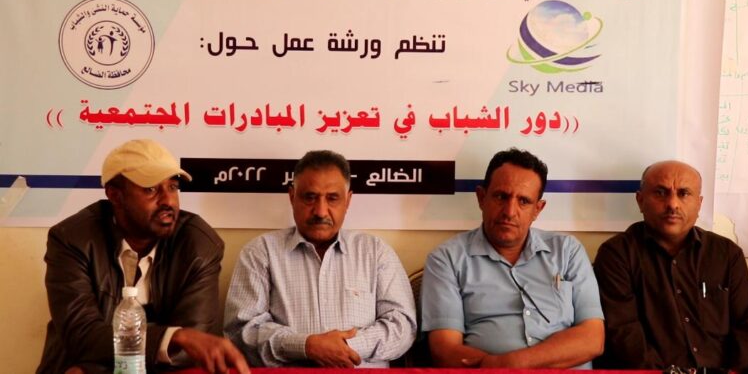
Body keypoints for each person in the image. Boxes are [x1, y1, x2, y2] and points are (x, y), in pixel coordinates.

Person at [37, 139, 248, 374]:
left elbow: (191, 346)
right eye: (151, 189)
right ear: (115, 195)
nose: (168, 201)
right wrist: (173, 337)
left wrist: (177, 340)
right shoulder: (72, 239)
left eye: (173, 187)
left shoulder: (199, 245)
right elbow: (82, 335)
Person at [224, 150, 417, 367]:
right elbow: (241, 332)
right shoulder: (261, 252)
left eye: (332, 198)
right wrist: (305, 346)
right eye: (310, 197)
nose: (321, 211)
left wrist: (347, 347)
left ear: (348, 200)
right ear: (292, 197)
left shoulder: (375, 252)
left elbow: (403, 326)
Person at [421, 147, 604, 369]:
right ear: (481, 198)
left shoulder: (567, 251)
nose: (509, 211)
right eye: (501, 196)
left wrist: (510, 364)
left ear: (538, 209)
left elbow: (593, 339)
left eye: (523, 201)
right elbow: (445, 350)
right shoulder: (447, 259)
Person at [593, 160, 748, 371]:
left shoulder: (727, 254)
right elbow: (624, 335)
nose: (673, 204)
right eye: (660, 193)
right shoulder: (616, 255)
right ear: (640, 200)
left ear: (699, 204)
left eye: (684, 193)